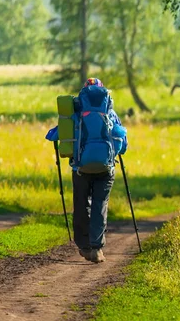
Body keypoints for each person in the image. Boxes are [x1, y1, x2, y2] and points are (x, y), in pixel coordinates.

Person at [46, 78, 128, 263]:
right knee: (100, 204)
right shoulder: (110, 114)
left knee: (81, 204)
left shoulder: (76, 114)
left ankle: (84, 246)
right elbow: (122, 144)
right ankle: (97, 249)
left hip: (80, 167)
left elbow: (54, 135)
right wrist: (118, 150)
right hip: (106, 168)